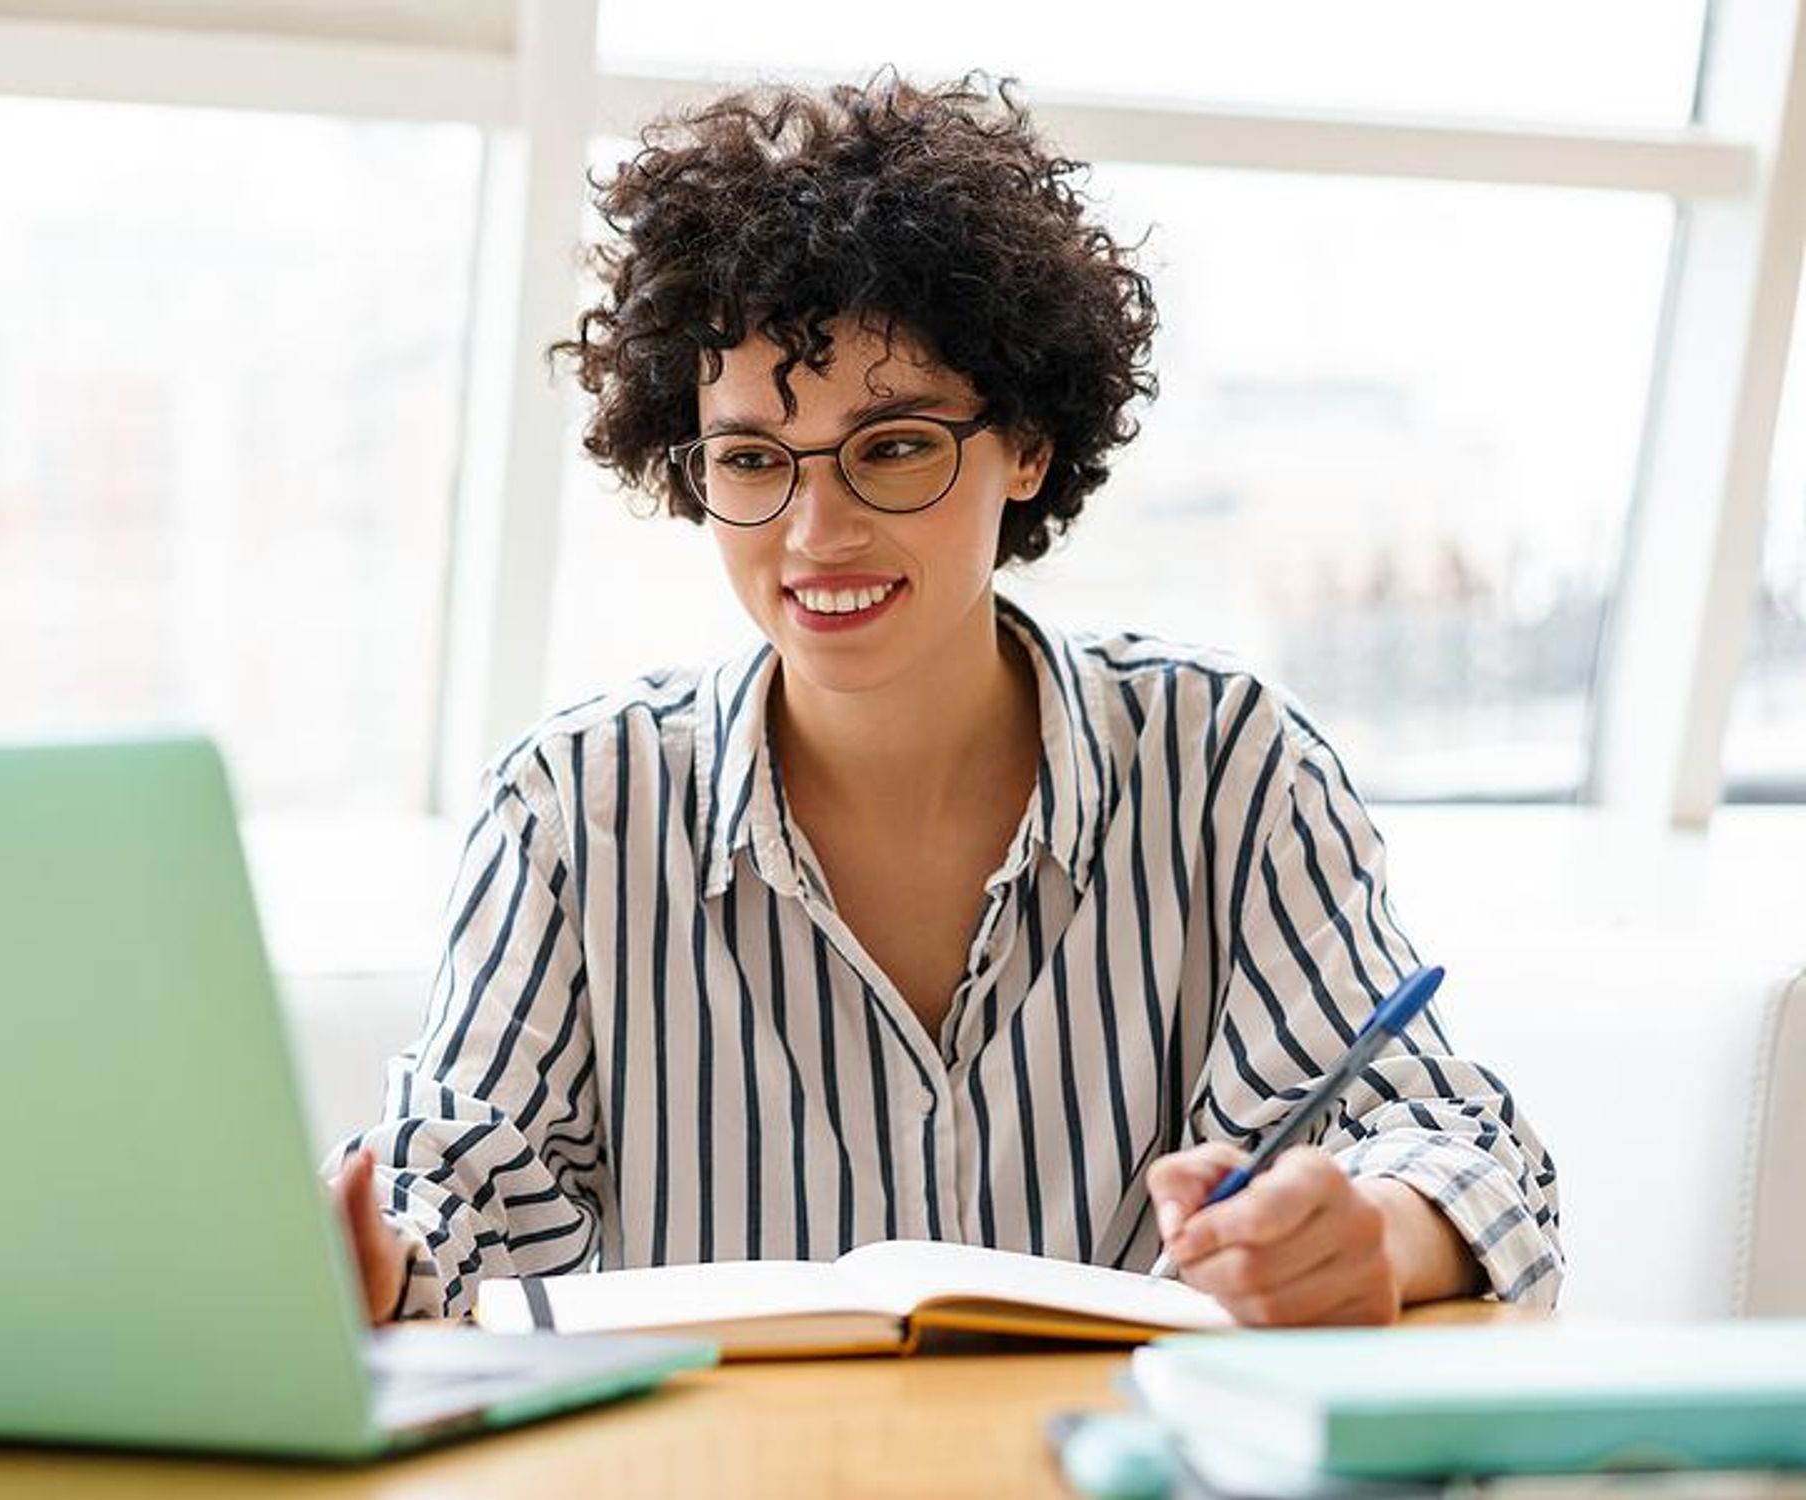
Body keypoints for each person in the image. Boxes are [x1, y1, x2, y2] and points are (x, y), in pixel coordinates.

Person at [327, 71, 1560, 1328]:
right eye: (752, 459)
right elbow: (452, 1188)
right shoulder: (572, 809)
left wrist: (1374, 1234)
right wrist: (366, 1254)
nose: (818, 532)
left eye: (895, 446)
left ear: (1024, 444)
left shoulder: (1226, 764)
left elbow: (1450, 1146)